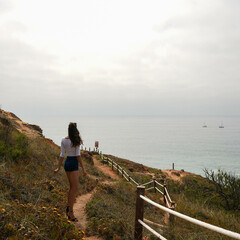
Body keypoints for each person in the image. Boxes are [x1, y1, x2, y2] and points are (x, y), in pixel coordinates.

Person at [54, 122, 87, 222]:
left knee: (71, 187)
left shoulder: (64, 140)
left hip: (67, 162)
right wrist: (84, 169)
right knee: (74, 188)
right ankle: (71, 213)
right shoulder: (75, 141)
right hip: (73, 163)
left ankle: (69, 208)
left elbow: (61, 155)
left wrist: (58, 167)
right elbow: (78, 156)